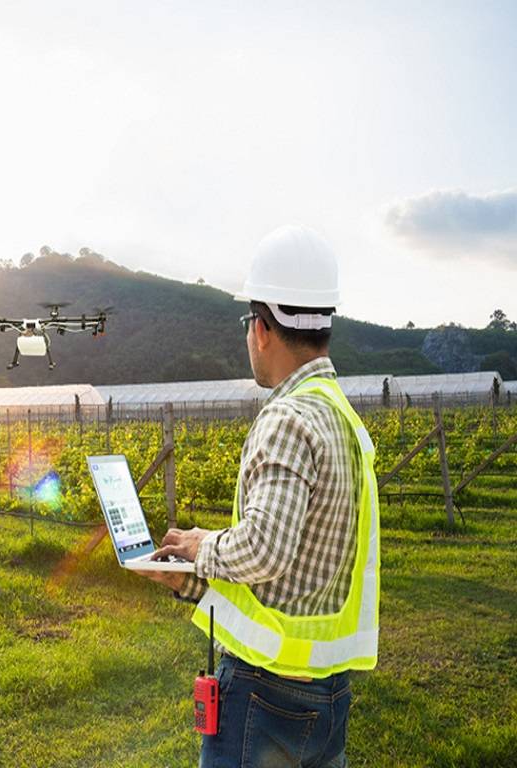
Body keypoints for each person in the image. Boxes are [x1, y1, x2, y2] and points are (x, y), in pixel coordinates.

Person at [144, 225, 380, 768]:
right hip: (327, 697)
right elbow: (294, 578)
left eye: (249, 322)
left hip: (265, 699)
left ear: (263, 328)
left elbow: (266, 550)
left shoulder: (287, 418)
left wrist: (202, 545)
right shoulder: (341, 419)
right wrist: (192, 581)